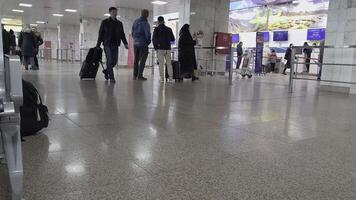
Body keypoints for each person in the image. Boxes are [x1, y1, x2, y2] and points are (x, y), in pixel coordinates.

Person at [97, 6, 128, 83]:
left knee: (114, 61)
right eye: (113, 12)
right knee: (110, 60)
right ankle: (112, 77)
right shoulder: (105, 22)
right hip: (107, 44)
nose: (115, 13)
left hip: (116, 44)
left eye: (116, 12)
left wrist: (125, 43)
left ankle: (107, 71)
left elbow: (122, 34)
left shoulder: (119, 23)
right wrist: (98, 44)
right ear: (110, 13)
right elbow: (101, 34)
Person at [152, 16, 175, 83]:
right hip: (168, 49)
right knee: (169, 64)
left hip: (160, 49)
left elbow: (154, 39)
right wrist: (169, 43)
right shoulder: (169, 29)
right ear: (163, 21)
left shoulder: (156, 29)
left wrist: (156, 47)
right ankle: (170, 79)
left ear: (158, 22)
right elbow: (173, 39)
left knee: (161, 64)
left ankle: (162, 79)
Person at [132, 9, 151, 81]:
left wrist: (135, 40)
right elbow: (147, 34)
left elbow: (132, 32)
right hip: (143, 44)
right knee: (143, 60)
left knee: (136, 60)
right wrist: (148, 42)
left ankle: (134, 75)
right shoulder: (145, 23)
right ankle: (140, 75)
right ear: (147, 15)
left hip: (135, 44)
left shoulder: (135, 21)